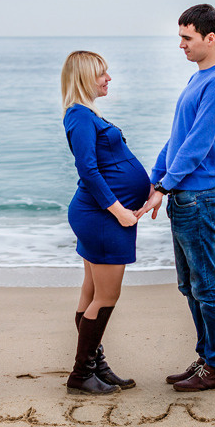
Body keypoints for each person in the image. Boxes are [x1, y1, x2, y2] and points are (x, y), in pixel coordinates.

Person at [135, 4, 215, 392]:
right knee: (190, 285)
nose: (181, 44)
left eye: (187, 37)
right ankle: (206, 359)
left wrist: (165, 186)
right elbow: (177, 138)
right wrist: (155, 180)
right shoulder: (198, 79)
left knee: (207, 286)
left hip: (199, 197)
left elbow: (198, 144)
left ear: (210, 38)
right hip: (183, 195)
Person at [60, 51, 150, 395]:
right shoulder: (80, 116)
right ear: (85, 77)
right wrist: (119, 211)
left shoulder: (87, 114)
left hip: (100, 215)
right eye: (102, 73)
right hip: (101, 216)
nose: (108, 78)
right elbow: (88, 170)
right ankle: (81, 374)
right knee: (107, 295)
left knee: (92, 291)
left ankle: (96, 367)